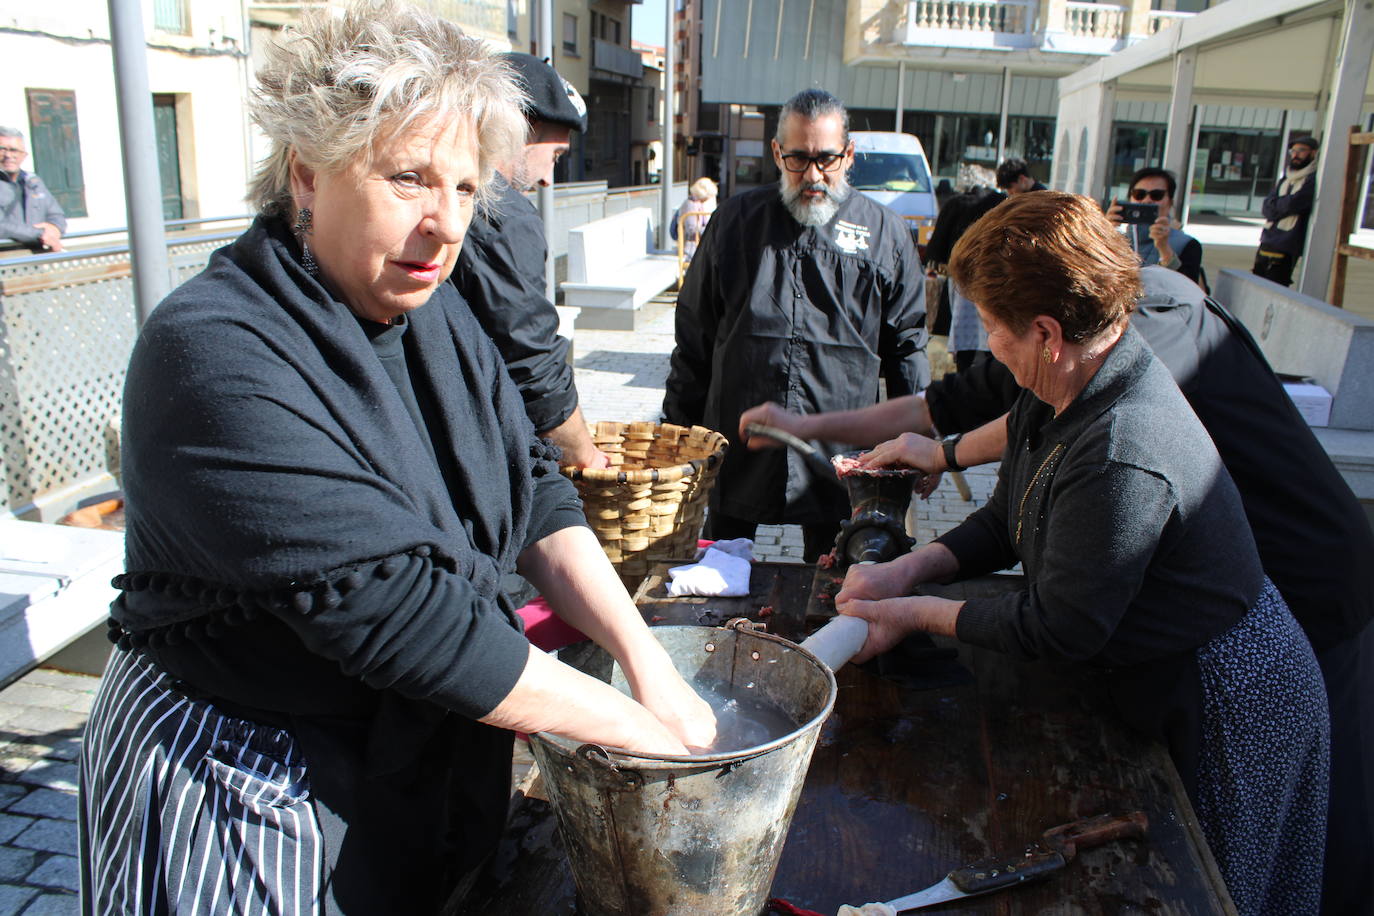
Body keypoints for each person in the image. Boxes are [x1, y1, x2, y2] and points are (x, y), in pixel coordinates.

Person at [77, 5, 715, 913]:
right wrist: (644, 732)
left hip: (405, 764)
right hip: (244, 783)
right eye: (408, 178)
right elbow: (403, 618)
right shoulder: (213, 354)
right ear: (307, 170)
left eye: (464, 187)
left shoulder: (429, 311)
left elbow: (530, 488)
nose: (443, 225)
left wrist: (648, 662)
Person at [750, 263, 1374, 915]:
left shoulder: (1122, 444)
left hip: (1228, 691)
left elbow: (1060, 625)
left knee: (1224, 886)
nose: (983, 343)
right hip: (1164, 659)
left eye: (991, 328)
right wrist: (907, 568)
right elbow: (1004, 518)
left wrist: (911, 613)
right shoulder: (1058, 386)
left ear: (1046, 331)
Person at [662, 88, 928, 561]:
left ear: (848, 155)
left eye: (826, 159)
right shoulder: (735, 222)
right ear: (775, 152)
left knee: (834, 590)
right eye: (797, 159)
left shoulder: (885, 233)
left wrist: (921, 441)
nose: (812, 175)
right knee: (717, 581)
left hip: (842, 454)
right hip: (738, 442)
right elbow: (694, 338)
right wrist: (678, 432)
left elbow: (907, 347)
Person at [450, 52, 608, 470]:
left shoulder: (459, 195)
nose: (548, 179)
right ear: (521, 129)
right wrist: (585, 454)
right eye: (554, 156)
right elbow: (533, 361)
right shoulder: (502, 211)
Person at [924, 181, 1005, 372]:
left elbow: (936, 249)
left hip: (961, 279)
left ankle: (962, 370)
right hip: (995, 280)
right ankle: (991, 372)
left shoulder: (955, 204)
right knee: (993, 331)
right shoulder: (1001, 203)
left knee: (961, 331)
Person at [1107, 167, 1203, 285]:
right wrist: (1103, 234)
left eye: (1156, 195)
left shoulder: (1187, 244)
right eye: (1139, 194)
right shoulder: (1115, 239)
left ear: (1170, 202)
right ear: (1130, 199)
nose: (1147, 200)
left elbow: (1188, 289)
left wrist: (1164, 249)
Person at [1253, 135, 1319, 288]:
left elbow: (1295, 203)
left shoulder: (1312, 179)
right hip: (1268, 238)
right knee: (1258, 281)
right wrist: (1280, 205)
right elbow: (1266, 207)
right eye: (1293, 151)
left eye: (1301, 150)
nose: (1295, 155)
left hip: (1288, 242)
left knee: (1276, 285)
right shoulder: (1286, 178)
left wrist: (1277, 206)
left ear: (1313, 153)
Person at [0, 127, 65, 252]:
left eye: (14, 150)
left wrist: (54, 228)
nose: (8, 155)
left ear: (24, 155)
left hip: (34, 260)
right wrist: (40, 234)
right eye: (2, 149)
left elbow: (56, 214)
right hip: (5, 261)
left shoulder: (33, 182)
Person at [670, 176, 717, 261]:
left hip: (696, 247)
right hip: (691, 250)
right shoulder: (690, 205)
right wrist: (711, 230)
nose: (708, 199)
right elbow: (691, 229)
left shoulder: (696, 203)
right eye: (709, 196)